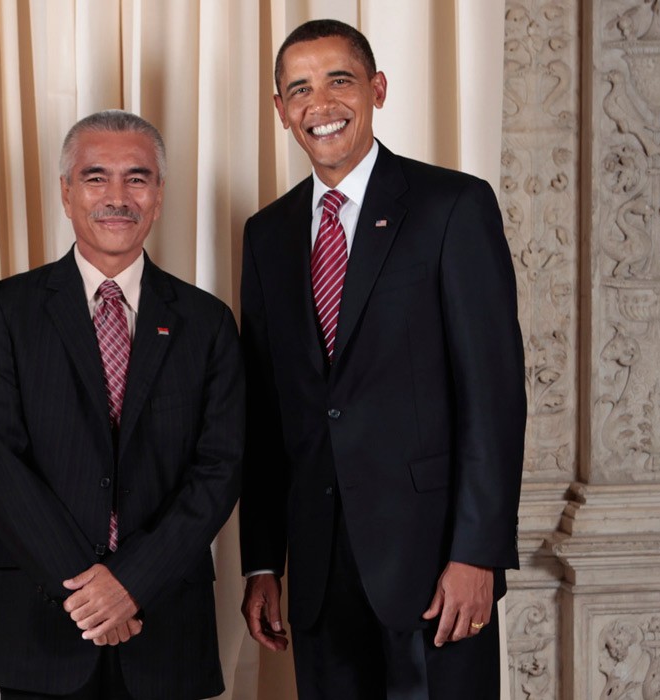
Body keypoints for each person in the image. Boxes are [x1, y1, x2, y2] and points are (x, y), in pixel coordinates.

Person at [238, 19, 525, 700]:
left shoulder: (452, 206)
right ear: (281, 111)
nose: (322, 103)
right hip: (317, 571)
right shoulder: (267, 235)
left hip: (434, 566)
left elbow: (494, 396)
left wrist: (476, 553)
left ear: (378, 89)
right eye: (299, 89)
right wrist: (261, 562)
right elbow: (266, 414)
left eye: (340, 80)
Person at [0, 110, 243, 700]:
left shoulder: (208, 322)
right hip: (40, 625)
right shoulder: (3, 313)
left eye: (137, 178)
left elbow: (219, 469)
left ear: (160, 195)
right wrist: (91, 595)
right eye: (95, 178)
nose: (117, 197)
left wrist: (131, 582)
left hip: (165, 622)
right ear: (66, 193)